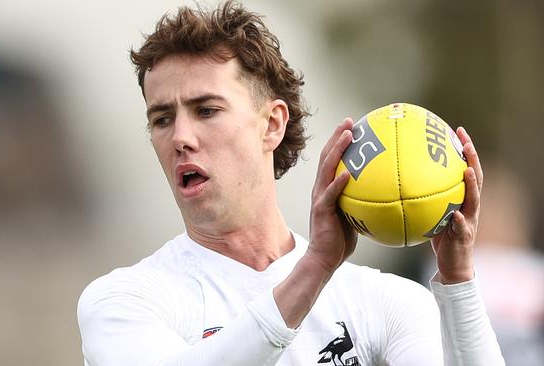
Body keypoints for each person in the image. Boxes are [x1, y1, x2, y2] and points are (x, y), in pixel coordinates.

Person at [77, 2, 504, 365]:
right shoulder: (124, 301)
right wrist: (315, 267)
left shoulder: (381, 302)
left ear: (272, 124)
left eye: (206, 110)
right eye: (162, 119)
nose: (181, 138)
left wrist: (458, 279)